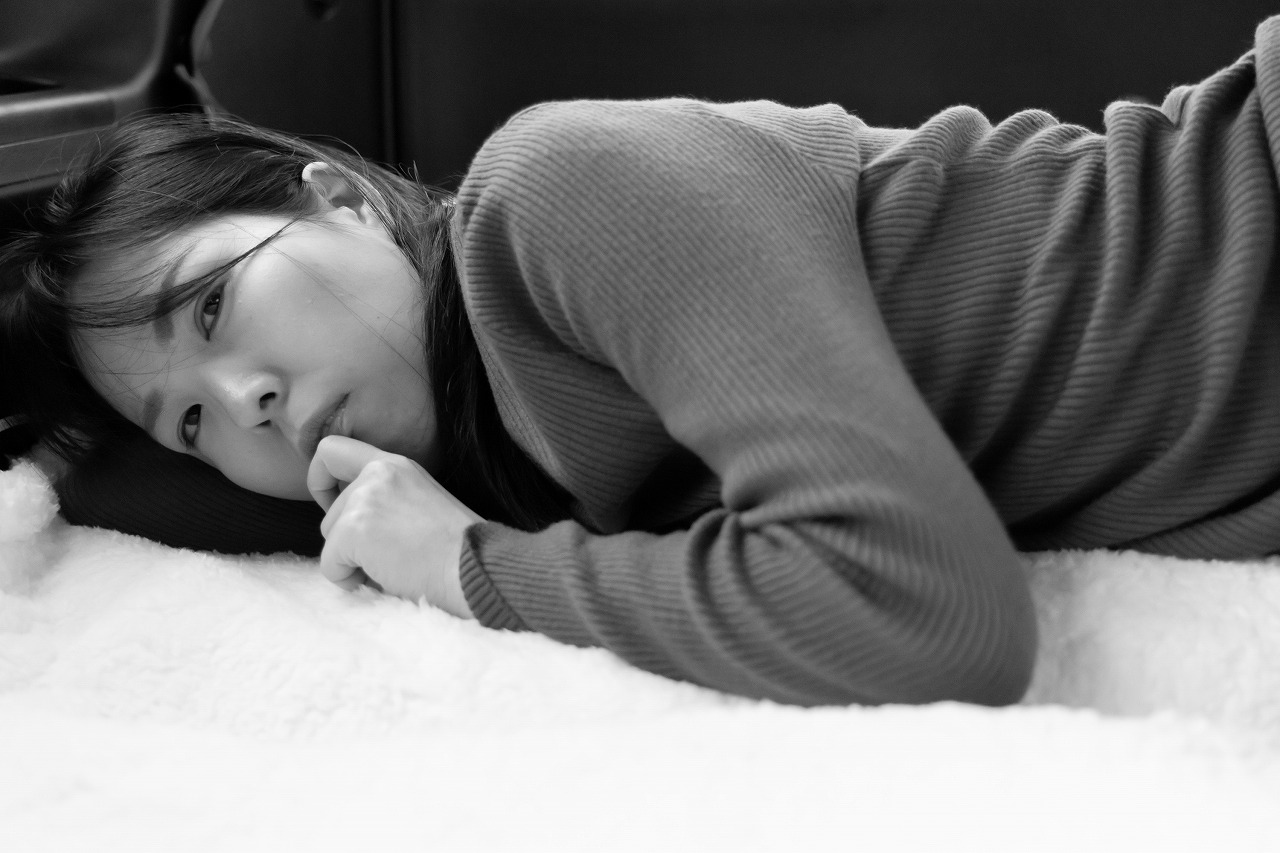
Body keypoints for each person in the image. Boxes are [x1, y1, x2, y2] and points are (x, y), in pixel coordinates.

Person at [6, 17, 1280, 708]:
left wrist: (470, 570)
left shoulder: (560, 196)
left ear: (334, 196)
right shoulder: (489, 453)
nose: (246, 402)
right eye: (189, 422)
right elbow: (113, 482)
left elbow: (929, 610)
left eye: (215, 303)